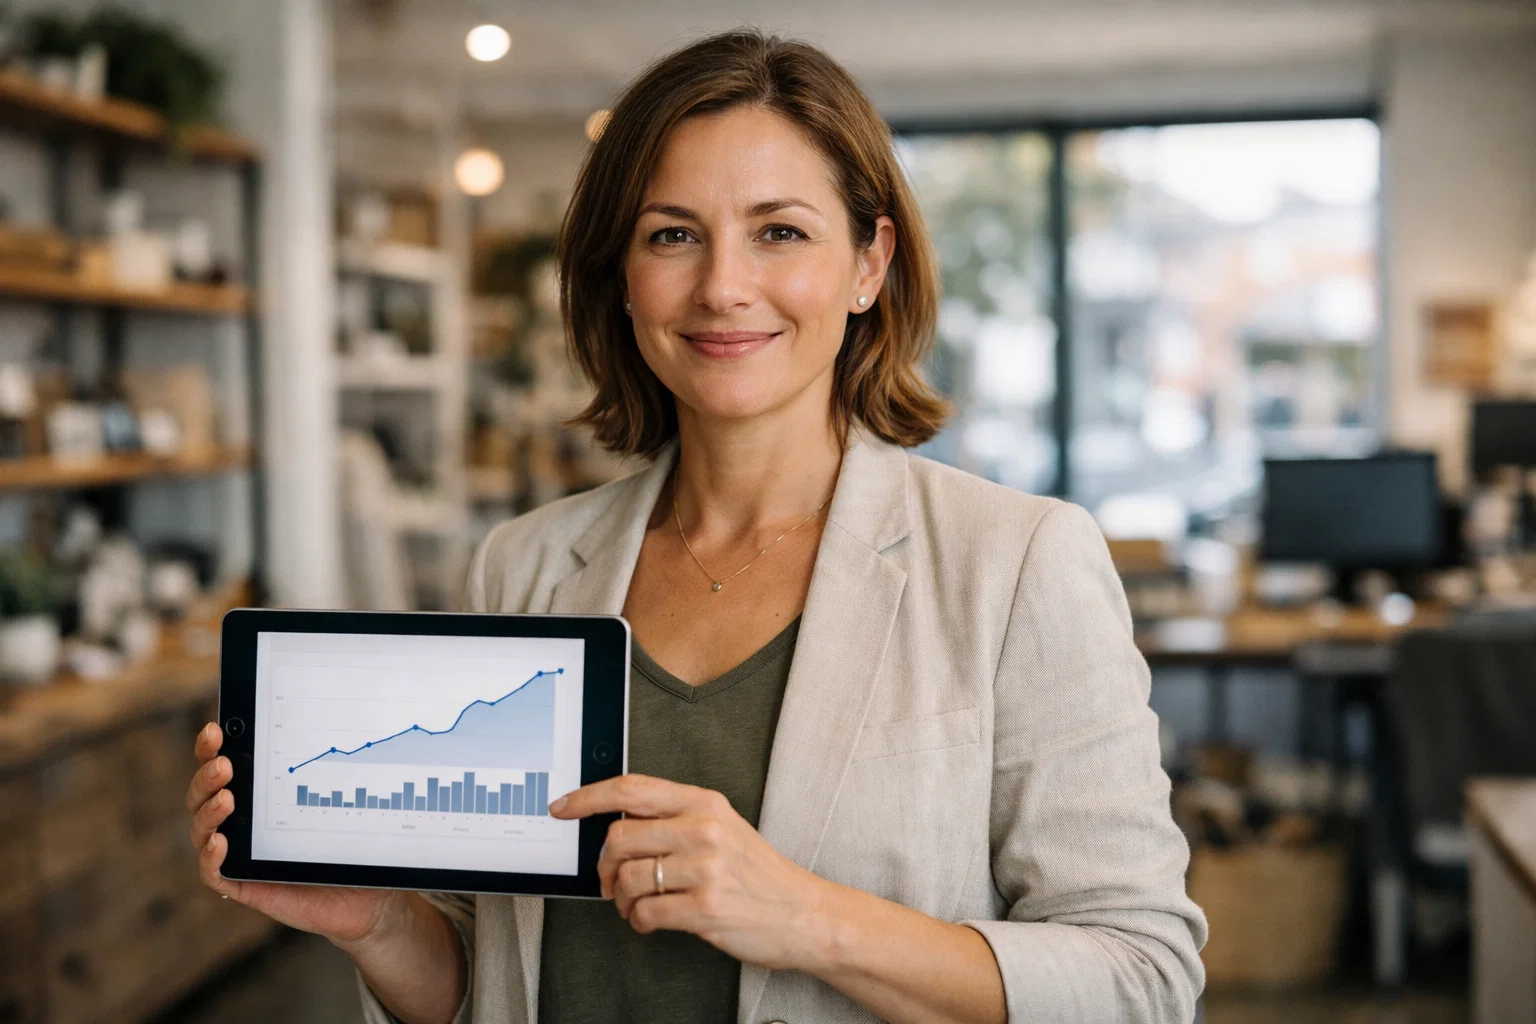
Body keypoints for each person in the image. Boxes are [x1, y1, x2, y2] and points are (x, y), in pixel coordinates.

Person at [186, 29, 1206, 1024]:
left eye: (781, 231)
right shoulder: (526, 564)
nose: (723, 285)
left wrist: (803, 915)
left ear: (868, 263)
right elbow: (496, 985)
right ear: (623, 276)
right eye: (673, 233)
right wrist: (377, 924)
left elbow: (1142, 978)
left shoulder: (1016, 562)